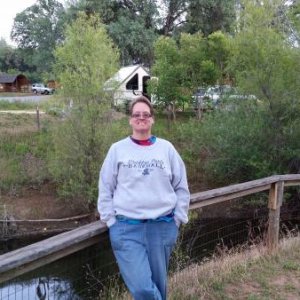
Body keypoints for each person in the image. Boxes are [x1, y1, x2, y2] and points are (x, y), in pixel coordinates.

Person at [97, 96, 190, 300]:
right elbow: (105, 188)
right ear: (130, 120)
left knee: (159, 285)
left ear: (152, 119)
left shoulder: (166, 149)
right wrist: (110, 221)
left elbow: (182, 187)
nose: (141, 118)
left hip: (163, 227)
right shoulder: (117, 150)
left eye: (146, 114)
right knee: (142, 289)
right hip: (126, 229)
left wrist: (177, 219)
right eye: (136, 115)